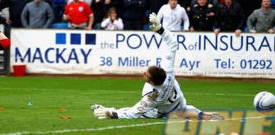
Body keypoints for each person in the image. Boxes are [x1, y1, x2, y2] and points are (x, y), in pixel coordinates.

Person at [92, 12, 224, 120]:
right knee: (186, 110)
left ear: (152, 82)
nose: (143, 73)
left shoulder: (151, 95)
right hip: (180, 103)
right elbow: (172, 43)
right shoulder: (167, 71)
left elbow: (134, 112)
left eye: (146, 75)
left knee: (136, 110)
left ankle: (110, 110)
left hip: (160, 111)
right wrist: (160, 29)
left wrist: (115, 116)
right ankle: (205, 115)